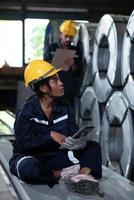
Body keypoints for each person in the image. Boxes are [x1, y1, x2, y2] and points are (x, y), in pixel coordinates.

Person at [9, 60, 102, 193]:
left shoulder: (64, 107)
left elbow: (73, 131)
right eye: (54, 81)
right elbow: (23, 144)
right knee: (29, 169)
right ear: (43, 88)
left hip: (55, 155)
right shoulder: (26, 112)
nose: (61, 83)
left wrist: (78, 141)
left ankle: (82, 176)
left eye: (59, 79)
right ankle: (59, 175)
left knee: (93, 147)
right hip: (32, 157)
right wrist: (50, 135)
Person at [43, 20, 82, 105]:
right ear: (61, 34)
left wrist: (73, 65)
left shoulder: (76, 51)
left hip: (69, 90)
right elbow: (44, 68)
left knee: (68, 113)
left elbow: (79, 73)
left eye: (71, 37)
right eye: (66, 36)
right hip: (54, 88)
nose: (68, 39)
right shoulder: (51, 49)